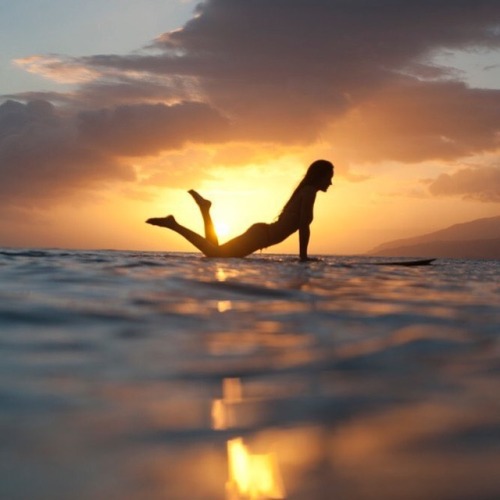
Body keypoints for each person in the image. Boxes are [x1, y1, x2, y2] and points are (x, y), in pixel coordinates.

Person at [146, 159, 334, 261]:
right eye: (329, 177)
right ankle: (174, 224)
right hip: (261, 236)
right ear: (321, 176)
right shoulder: (309, 192)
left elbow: (301, 226)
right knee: (214, 255)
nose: (331, 182)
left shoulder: (306, 191)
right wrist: (303, 257)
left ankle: (205, 209)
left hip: (261, 233)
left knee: (215, 254)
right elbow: (303, 227)